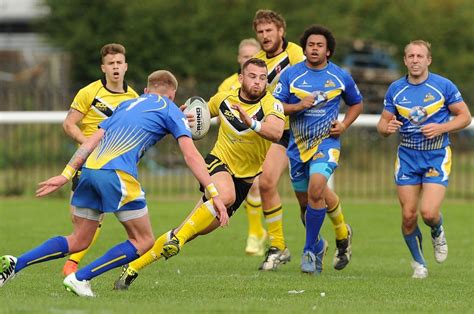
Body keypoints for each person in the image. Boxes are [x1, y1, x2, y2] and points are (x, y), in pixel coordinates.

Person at [0, 70, 228, 297]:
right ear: (173, 95)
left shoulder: (126, 105)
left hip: (90, 170)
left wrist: (66, 174)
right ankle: (80, 278)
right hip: (117, 174)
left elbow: (91, 142)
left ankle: (16, 263)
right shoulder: (169, 108)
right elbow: (191, 156)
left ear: (146, 91)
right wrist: (214, 193)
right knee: (144, 240)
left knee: (79, 240)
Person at [114, 58, 285, 290]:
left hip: (244, 180)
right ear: (241, 78)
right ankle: (179, 239)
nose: (258, 82)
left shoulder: (272, 104)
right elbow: (201, 111)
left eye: (263, 78)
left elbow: (275, 132)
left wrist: (252, 123)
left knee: (190, 230)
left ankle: (134, 267)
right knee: (225, 196)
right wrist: (182, 114)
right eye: (252, 76)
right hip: (218, 164)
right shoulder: (225, 98)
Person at [252, 9, 354, 272]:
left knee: (316, 191)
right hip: (281, 132)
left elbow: (323, 84)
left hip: (308, 133)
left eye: (269, 31)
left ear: (281, 32)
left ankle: (330, 237)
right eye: (260, 32)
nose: (264, 36)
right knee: (282, 191)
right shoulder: (258, 61)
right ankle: (282, 245)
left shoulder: (298, 53)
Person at [377, 40, 471, 279]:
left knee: (428, 213)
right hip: (407, 156)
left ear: (428, 60)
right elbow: (382, 124)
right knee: (409, 216)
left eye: (420, 56)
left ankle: (437, 230)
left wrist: (442, 128)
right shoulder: (396, 89)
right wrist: (388, 128)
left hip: (436, 155)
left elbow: (465, 117)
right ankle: (419, 263)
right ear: (405, 60)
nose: (415, 60)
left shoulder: (443, 86)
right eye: (411, 56)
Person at [273, 25, 363, 274]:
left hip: (326, 143)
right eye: (310, 45)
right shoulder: (292, 75)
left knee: (316, 189)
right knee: (307, 204)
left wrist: (344, 124)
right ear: (304, 48)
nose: (314, 48)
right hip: (297, 145)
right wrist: (298, 105)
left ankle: (309, 251)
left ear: (328, 51)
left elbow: (356, 103)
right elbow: (276, 105)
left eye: (319, 45)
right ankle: (338, 236)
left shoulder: (340, 76)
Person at [61, 43, 139, 276]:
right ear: (103, 67)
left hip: (115, 168)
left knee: (130, 221)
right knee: (79, 222)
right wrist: (87, 142)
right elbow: (68, 124)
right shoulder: (89, 92)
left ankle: (74, 265)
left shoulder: (133, 98)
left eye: (119, 63)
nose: (115, 67)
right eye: (110, 64)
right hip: (86, 165)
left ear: (125, 66)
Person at [217, 38, 268, 256]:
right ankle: (257, 233)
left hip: (257, 146)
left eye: (254, 56)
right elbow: (219, 116)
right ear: (239, 59)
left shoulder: (264, 86)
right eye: (246, 57)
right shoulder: (227, 86)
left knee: (257, 186)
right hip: (231, 149)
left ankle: (256, 234)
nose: (250, 60)